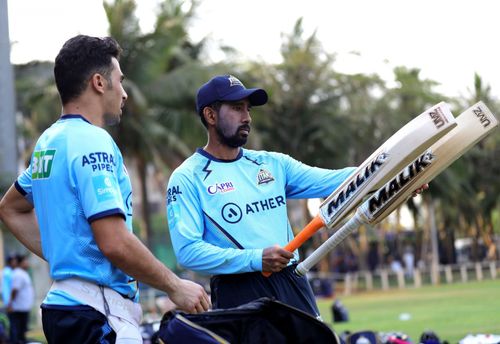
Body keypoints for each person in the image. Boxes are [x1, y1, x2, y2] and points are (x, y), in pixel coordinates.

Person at [0, 34, 210, 343]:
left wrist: (68, 256)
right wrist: (174, 285)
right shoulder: (92, 141)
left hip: (64, 308)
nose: (124, 93)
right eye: (119, 80)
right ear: (99, 82)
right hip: (94, 312)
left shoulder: (49, 142)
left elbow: (10, 208)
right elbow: (114, 242)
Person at [165, 74, 358, 319]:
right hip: (238, 293)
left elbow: (338, 180)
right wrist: (256, 259)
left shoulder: (273, 164)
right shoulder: (187, 177)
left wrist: (392, 175)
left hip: (293, 283)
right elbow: (188, 252)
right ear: (210, 115)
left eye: (248, 109)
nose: (247, 117)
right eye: (237, 108)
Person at [7, 254, 34, 344]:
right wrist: (10, 304)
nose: (27, 263)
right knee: (16, 332)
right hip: (18, 308)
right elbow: (14, 290)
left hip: (23, 307)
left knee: (21, 331)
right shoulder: (18, 273)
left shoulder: (23, 273)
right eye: (25, 261)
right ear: (20, 263)